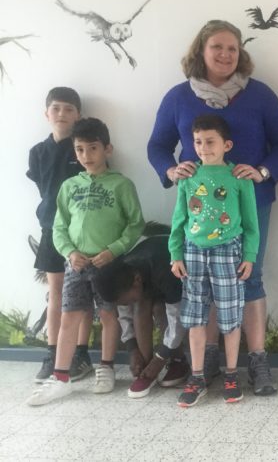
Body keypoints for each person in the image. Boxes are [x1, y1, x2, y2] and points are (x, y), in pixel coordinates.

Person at [147, 19, 278, 395]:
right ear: (201, 50)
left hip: (251, 203)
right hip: (199, 211)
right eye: (217, 47)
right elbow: (157, 145)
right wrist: (170, 170)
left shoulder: (260, 95)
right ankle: (209, 359)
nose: (226, 54)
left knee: (250, 277)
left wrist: (262, 172)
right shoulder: (179, 97)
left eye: (233, 48)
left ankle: (258, 361)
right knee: (204, 284)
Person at [27, 118, 145, 405]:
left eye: (93, 148)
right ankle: (61, 377)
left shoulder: (122, 184)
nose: (86, 155)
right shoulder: (69, 187)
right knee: (70, 316)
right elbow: (59, 227)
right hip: (76, 265)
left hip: (108, 265)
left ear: (107, 149)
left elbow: (135, 224)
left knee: (107, 315)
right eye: (80, 149)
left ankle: (106, 367)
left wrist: (114, 250)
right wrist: (70, 252)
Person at [169, 114, 259, 407]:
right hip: (193, 253)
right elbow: (179, 219)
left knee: (230, 317)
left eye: (210, 142)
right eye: (198, 142)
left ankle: (231, 374)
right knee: (195, 316)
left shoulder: (239, 179)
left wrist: (249, 256)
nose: (203, 148)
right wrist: (175, 254)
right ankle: (197, 377)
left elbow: (251, 224)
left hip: (228, 253)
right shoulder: (188, 177)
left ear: (226, 145)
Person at [27, 87, 95, 383]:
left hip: (84, 232)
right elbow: (43, 189)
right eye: (56, 108)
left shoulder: (83, 149)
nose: (62, 114)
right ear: (47, 113)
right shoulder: (37, 153)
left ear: (78, 115)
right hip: (51, 230)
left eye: (69, 109)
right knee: (56, 292)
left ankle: (81, 354)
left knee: (82, 292)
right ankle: (52, 354)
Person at [95, 234, 190, 398]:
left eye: (127, 300)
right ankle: (145, 366)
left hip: (176, 274)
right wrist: (133, 350)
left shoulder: (164, 272)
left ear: (137, 280)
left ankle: (178, 361)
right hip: (150, 282)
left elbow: (178, 319)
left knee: (159, 310)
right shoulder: (123, 277)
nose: (126, 304)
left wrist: (160, 358)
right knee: (139, 306)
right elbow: (125, 316)